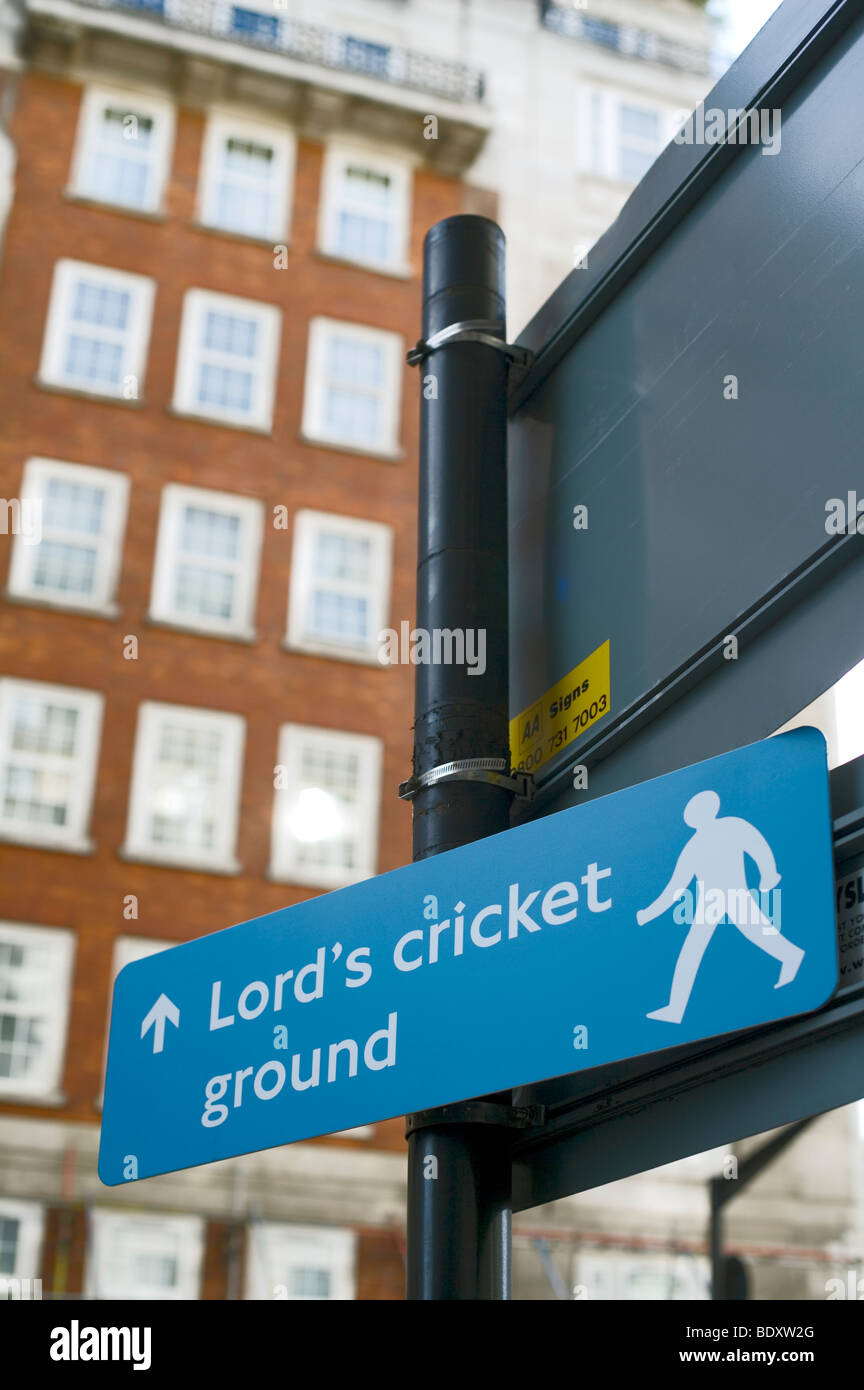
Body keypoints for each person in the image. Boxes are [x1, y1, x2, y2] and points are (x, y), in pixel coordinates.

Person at [637, 789, 804, 1024]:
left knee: (757, 933)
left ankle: (792, 956)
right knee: (692, 950)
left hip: (735, 893)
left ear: (711, 809)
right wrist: (648, 913)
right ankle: (675, 1009)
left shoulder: (731, 826)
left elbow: (758, 846)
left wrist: (769, 874)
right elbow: (675, 888)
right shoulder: (692, 847)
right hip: (709, 902)